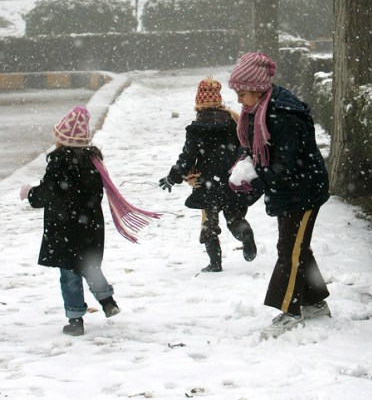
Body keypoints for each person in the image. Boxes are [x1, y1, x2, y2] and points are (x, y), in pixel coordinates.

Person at [20, 106, 160, 337]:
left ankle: (75, 320)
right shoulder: (93, 162)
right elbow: (93, 194)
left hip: (64, 227)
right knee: (90, 266)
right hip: (89, 226)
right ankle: (107, 302)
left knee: (69, 273)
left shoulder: (59, 162)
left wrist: (30, 193)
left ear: (62, 140)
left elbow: (48, 193)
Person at [227, 52, 330, 340]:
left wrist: (255, 184)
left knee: (290, 251)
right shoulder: (255, 111)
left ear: (257, 88)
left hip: (304, 191)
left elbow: (285, 163)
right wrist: (242, 167)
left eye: (242, 93)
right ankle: (316, 303)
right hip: (288, 190)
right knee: (297, 248)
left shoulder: (284, 115)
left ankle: (290, 310)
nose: (238, 100)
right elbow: (250, 148)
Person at [159, 76, 257, 273]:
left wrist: (172, 177)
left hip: (207, 183)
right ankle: (244, 233)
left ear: (198, 104)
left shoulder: (196, 129)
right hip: (232, 180)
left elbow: (187, 158)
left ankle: (215, 263)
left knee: (209, 225)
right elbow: (244, 146)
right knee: (234, 217)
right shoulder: (232, 122)